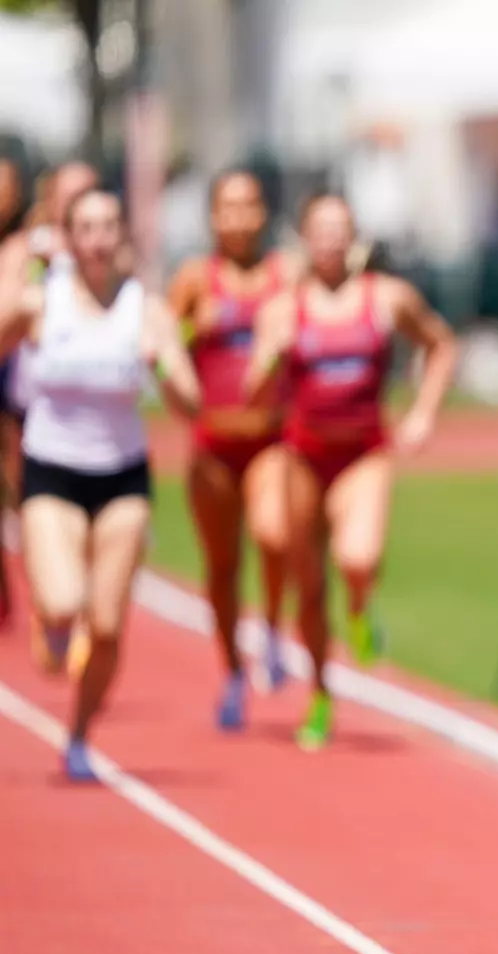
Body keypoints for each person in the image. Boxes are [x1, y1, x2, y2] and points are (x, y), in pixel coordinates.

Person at [0, 189, 200, 780]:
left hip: (123, 477)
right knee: (65, 603)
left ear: (123, 236)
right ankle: (52, 620)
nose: (97, 238)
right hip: (51, 470)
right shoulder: (40, 303)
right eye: (85, 227)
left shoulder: (148, 310)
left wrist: (160, 362)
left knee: (108, 625)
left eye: (109, 226)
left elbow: (192, 405)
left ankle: (81, 733)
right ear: (68, 236)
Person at [244, 193, 456, 750]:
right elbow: (254, 394)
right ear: (304, 240)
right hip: (302, 457)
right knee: (309, 589)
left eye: (341, 229)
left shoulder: (387, 298)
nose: (332, 240)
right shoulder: (283, 309)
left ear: (355, 238)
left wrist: (422, 415)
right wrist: (271, 358)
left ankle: (360, 607)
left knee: (357, 560)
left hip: (363, 454)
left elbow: (440, 345)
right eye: (321, 230)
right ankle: (318, 692)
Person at [168, 170, 294, 730]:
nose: (239, 217)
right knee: (221, 566)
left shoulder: (283, 275)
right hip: (212, 444)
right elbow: (159, 349)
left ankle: (269, 629)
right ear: (213, 217)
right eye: (228, 207)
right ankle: (232, 672)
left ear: (263, 213)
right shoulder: (196, 279)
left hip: (269, 437)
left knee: (273, 534)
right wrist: (195, 327)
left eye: (249, 205)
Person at [0, 161, 102, 655]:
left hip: (92, 411)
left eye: (90, 191)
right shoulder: (30, 249)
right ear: (52, 198)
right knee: (36, 506)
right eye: (71, 193)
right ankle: (53, 601)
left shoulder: (108, 251)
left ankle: (69, 603)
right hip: (30, 403)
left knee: (92, 520)